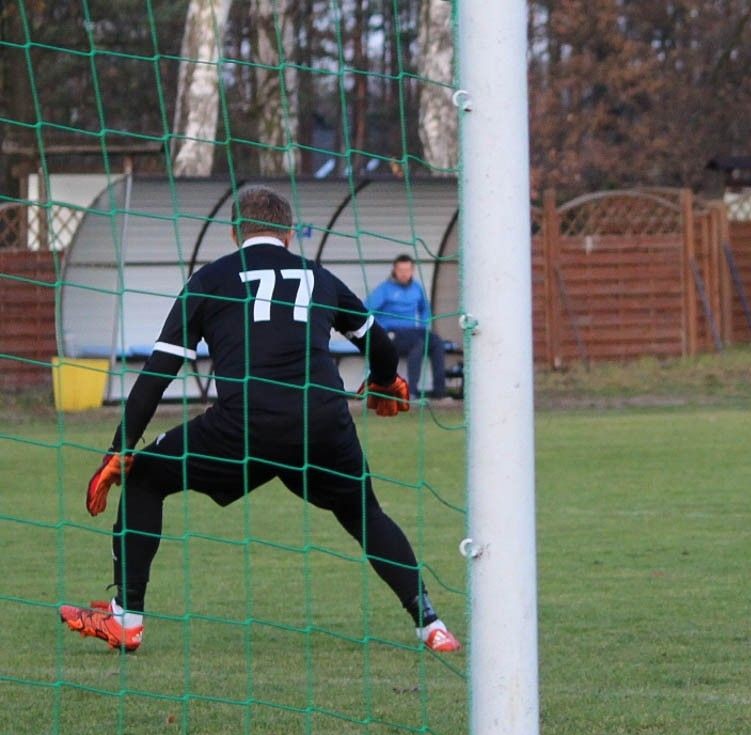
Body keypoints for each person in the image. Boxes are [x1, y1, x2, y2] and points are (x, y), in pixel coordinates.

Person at [61, 185, 461, 653]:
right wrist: (386, 380)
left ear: (235, 233)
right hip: (321, 423)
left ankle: (126, 618)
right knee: (365, 514)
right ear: (289, 235)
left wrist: (120, 447)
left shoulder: (211, 279)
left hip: (244, 429)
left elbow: (157, 374)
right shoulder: (318, 277)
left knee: (144, 476)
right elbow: (382, 345)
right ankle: (431, 625)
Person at [365, 254, 447, 400]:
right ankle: (412, 392)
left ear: (412, 270)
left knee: (437, 342)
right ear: (394, 270)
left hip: (413, 330)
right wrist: (378, 331)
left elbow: (425, 309)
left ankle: (440, 392)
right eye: (401, 270)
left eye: (407, 270)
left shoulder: (417, 288)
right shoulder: (385, 289)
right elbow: (366, 308)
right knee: (418, 344)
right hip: (392, 333)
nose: (404, 274)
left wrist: (424, 324)